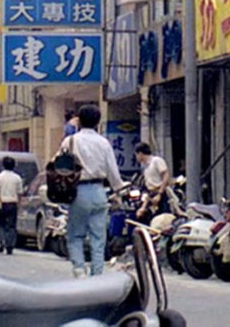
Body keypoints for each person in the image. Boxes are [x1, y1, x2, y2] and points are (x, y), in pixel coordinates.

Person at [61, 104, 124, 277]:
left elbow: (60, 166)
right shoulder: (104, 143)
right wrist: (118, 189)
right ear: (98, 122)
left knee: (75, 234)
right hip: (99, 191)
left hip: (77, 192)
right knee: (98, 237)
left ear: (79, 120)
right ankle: (97, 273)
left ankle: (79, 269)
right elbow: (113, 171)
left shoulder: (70, 141)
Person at [134, 142, 177, 217]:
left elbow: (166, 175)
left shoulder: (156, 161)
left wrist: (160, 194)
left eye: (136, 155)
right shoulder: (145, 166)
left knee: (164, 217)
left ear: (140, 153)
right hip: (151, 194)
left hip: (162, 193)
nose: (136, 157)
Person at [0, 156, 24, 255]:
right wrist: (19, 204)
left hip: (1, 203)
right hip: (12, 203)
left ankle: (1, 241)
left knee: (0, 224)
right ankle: (10, 245)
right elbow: (20, 193)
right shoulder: (17, 178)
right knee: (11, 226)